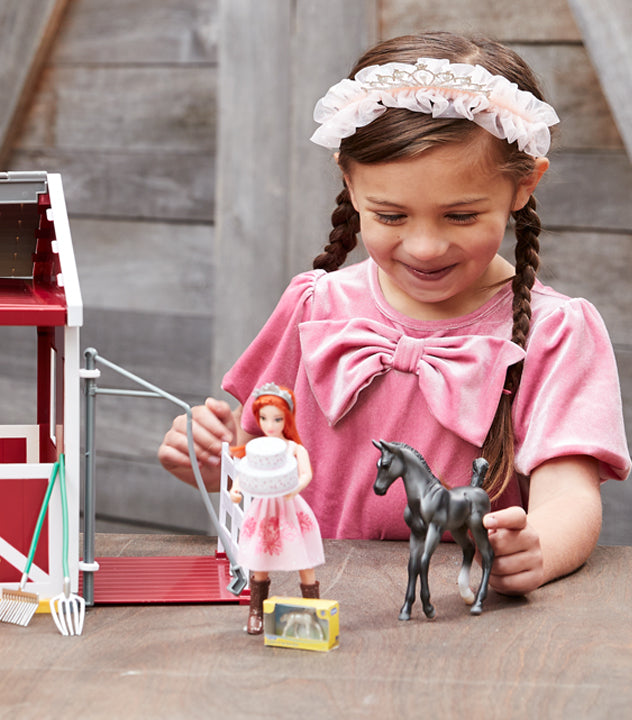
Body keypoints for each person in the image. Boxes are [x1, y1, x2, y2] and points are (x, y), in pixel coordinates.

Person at [159, 31, 630, 598]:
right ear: (349, 184)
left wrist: (539, 549)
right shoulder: (315, 308)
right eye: (391, 215)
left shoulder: (557, 334)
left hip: (462, 625)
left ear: (523, 185)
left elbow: (570, 496)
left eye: (459, 216)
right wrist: (218, 458)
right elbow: (265, 453)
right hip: (311, 605)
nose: (425, 247)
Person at [229, 382, 324, 634]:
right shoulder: (259, 448)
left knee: (303, 557)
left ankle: (313, 609)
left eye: (276, 419)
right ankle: (256, 611)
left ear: (287, 419)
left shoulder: (294, 448)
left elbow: (306, 474)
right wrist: (236, 489)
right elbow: (245, 470)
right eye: (263, 418)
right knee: (260, 558)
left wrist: (295, 488)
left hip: (289, 507)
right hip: (264, 509)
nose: (269, 425)